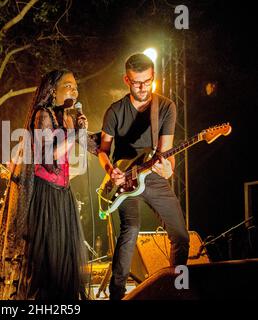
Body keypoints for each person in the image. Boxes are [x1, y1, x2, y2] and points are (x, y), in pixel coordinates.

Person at [98, 53, 190, 300]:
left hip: (153, 173)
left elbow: (166, 152)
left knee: (181, 235)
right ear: (126, 80)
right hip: (124, 178)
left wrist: (167, 168)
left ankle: (175, 290)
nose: (142, 87)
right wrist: (110, 171)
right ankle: (116, 294)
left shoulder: (166, 107)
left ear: (153, 78)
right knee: (131, 229)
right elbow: (103, 151)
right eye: (137, 82)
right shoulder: (115, 111)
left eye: (147, 81)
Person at [0, 69, 89, 300]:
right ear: (52, 90)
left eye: (76, 86)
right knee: (47, 262)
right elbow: (49, 156)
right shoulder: (42, 115)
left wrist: (82, 133)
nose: (74, 90)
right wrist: (75, 134)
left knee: (63, 260)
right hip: (46, 196)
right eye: (68, 85)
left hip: (62, 194)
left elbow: (70, 155)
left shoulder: (63, 117)